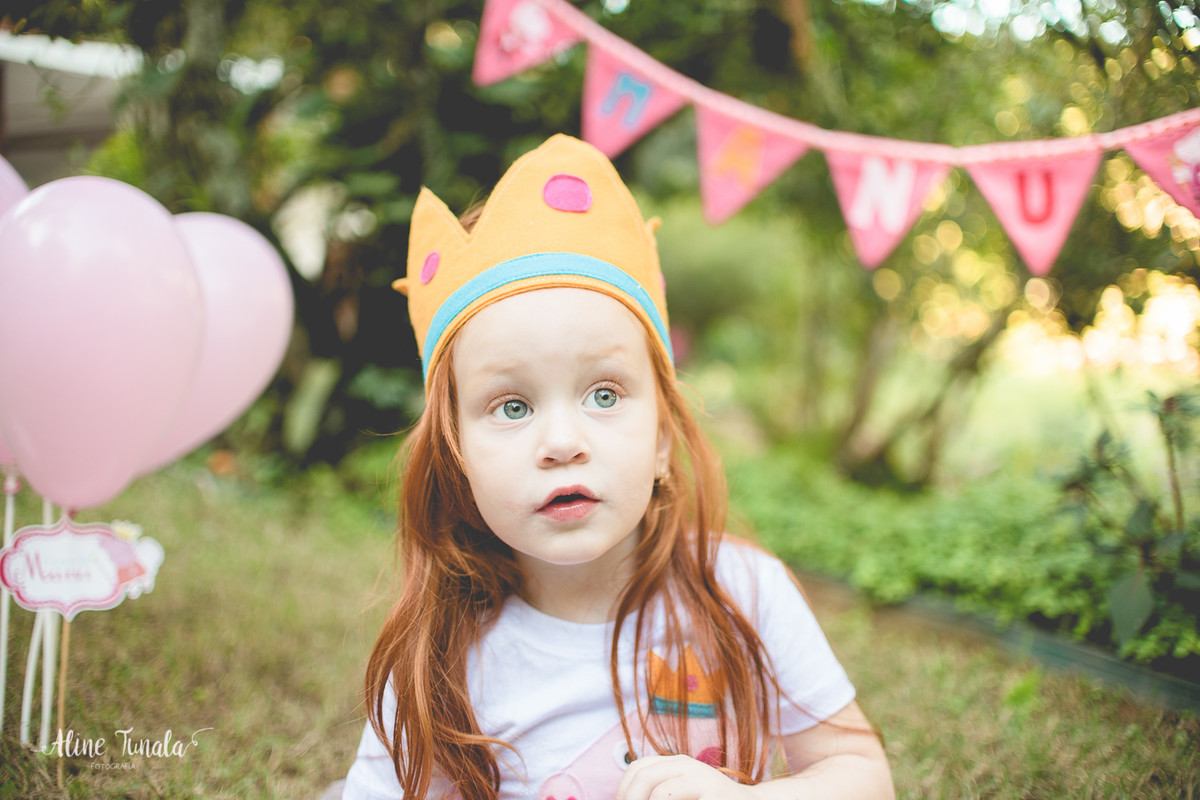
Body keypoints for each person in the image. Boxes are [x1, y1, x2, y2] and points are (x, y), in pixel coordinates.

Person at [338, 134, 894, 800]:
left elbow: (863, 776)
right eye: (511, 406)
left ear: (662, 438)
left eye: (605, 394)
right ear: (455, 459)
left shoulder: (742, 593)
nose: (562, 441)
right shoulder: (441, 658)